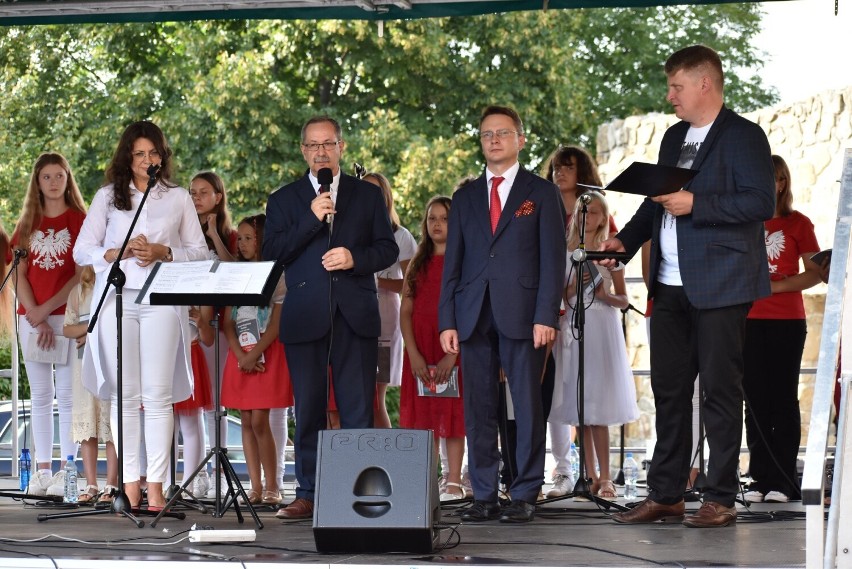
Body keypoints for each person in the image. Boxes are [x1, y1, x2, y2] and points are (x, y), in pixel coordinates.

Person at [601, 45, 776, 528]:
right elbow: (657, 201)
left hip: (722, 284)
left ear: (705, 83)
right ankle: (666, 494)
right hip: (669, 285)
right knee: (670, 392)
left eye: (677, 86)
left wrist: (697, 203)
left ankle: (719, 497)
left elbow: (760, 202)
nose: (670, 95)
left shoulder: (744, 136)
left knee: (721, 391)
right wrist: (626, 240)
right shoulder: (675, 135)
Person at [262, 116, 398, 520]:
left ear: (341, 147)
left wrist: (356, 258)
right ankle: (307, 492)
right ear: (303, 151)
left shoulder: (367, 195)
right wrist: (311, 218)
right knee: (308, 409)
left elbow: (387, 250)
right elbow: (272, 253)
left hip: (355, 314)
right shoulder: (284, 200)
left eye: (328, 144)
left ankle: (357, 494)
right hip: (305, 315)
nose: (320, 151)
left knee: (358, 410)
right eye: (313, 145)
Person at [73, 120, 210, 510]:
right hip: (117, 299)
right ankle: (128, 485)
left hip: (162, 301)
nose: (147, 160)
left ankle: (157, 486)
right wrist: (116, 252)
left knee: (158, 397)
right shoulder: (106, 198)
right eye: (139, 154)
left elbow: (199, 253)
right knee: (125, 397)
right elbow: (82, 250)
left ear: (162, 157)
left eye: (154, 153)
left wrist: (165, 252)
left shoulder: (178, 197)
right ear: (127, 158)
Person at [438, 105, 566, 523]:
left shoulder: (540, 193)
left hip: (526, 315)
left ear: (520, 140)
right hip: (472, 314)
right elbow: (451, 265)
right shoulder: (465, 196)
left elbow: (553, 260)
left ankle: (526, 491)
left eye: (503, 133)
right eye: (487, 134)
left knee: (527, 405)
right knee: (478, 407)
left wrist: (546, 314)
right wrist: (447, 320)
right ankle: (485, 494)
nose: (494, 140)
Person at [550, 191, 639, 500]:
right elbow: (559, 299)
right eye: (585, 213)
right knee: (582, 409)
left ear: (604, 217)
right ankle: (587, 476)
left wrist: (605, 296)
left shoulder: (610, 252)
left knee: (599, 407)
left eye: (597, 212)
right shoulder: (565, 252)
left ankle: (605, 477)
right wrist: (573, 288)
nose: (590, 218)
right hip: (573, 329)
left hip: (602, 326)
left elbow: (624, 298)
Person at [742, 155, 821, 504]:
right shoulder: (743, 221)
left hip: (788, 321)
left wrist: (773, 287)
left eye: (774, 178)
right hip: (746, 320)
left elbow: (816, 271)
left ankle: (784, 480)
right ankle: (759, 479)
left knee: (783, 399)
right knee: (755, 402)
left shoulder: (799, 223)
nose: (768, 183)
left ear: (782, 183)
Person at [9, 152, 87, 496]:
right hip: (32, 320)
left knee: (68, 396)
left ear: (68, 179)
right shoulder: (27, 224)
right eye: (47, 177)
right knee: (40, 396)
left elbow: (81, 275)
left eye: (60, 176)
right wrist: (34, 313)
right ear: (37, 182)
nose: (54, 182)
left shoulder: (79, 220)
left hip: (67, 317)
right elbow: (18, 273)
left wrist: (48, 310)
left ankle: (68, 470)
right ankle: (43, 471)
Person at [221, 214, 293, 507]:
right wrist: (241, 355)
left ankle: (274, 485)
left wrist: (254, 354)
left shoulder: (277, 275)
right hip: (241, 354)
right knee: (247, 419)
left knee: (261, 419)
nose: (243, 243)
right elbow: (227, 321)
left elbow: (276, 324)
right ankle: (255, 485)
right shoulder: (235, 274)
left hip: (266, 352)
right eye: (241, 237)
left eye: (250, 238)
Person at [399, 196, 467, 501]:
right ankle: (427, 478)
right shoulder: (418, 261)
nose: (437, 224)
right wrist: (412, 352)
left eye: (444, 218)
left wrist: (452, 355)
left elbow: (468, 310)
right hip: (419, 349)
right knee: (423, 415)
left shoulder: (465, 260)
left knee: (452, 414)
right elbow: (405, 310)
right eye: (431, 218)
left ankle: (453, 480)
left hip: (451, 348)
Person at [189, 171, 237, 498]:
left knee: (216, 403)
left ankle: (220, 470)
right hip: (188, 324)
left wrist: (213, 234)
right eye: (192, 192)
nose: (196, 198)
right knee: (193, 401)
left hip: (218, 327)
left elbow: (235, 270)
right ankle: (198, 473)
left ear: (218, 196)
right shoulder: (184, 235)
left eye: (203, 192)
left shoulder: (231, 235)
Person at [363, 172, 418, 428]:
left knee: (375, 398)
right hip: (352, 321)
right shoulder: (349, 233)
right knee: (353, 398)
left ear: (386, 197)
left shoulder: (401, 236)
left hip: (385, 322)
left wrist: (375, 282)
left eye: (375, 191)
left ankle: (384, 462)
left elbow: (413, 284)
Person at [63, 265, 119, 505]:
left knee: (110, 425)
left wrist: (95, 334)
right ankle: (92, 483)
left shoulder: (116, 287)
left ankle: (112, 484)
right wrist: (91, 330)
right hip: (83, 366)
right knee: (88, 426)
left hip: (109, 363)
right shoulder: (79, 291)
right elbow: (67, 328)